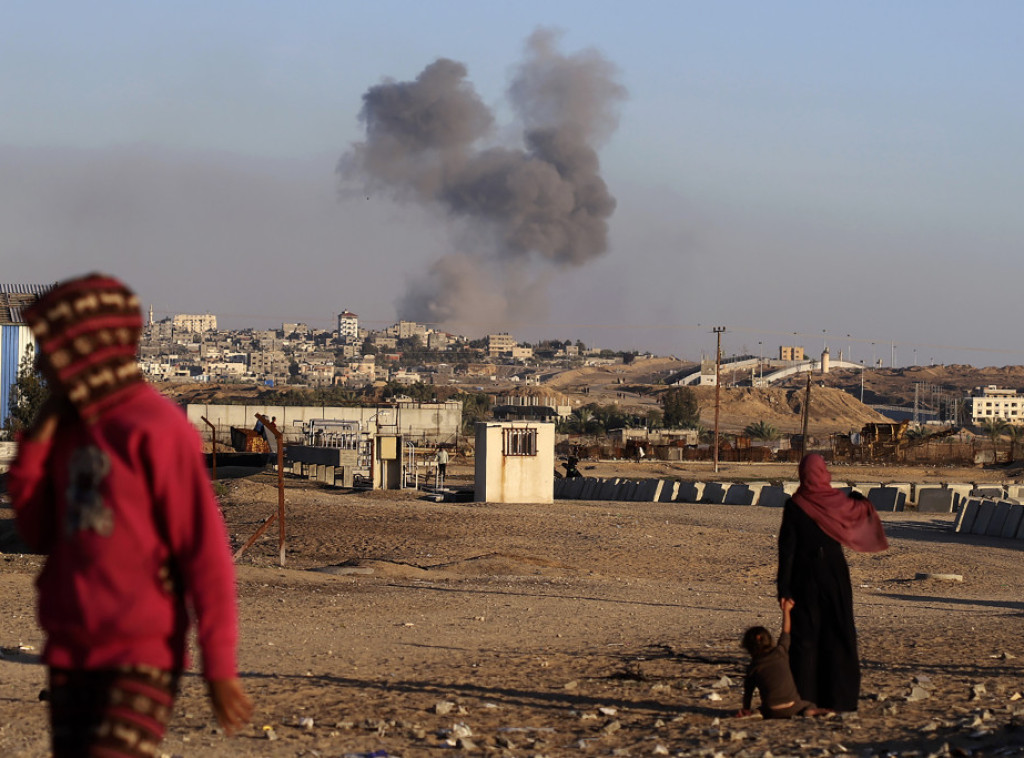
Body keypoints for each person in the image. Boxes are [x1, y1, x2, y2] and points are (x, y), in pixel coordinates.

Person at [7, 273, 252, 757]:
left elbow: (205, 557)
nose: (44, 367)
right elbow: (38, 531)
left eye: (54, 351)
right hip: (70, 650)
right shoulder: (71, 431)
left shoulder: (156, 430)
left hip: (140, 655)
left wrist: (219, 668)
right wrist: (37, 441)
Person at [777, 453, 888, 712]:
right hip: (834, 576)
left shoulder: (795, 505)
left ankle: (806, 698)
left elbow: (787, 550)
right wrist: (859, 499)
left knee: (805, 638)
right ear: (824, 473)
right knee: (838, 633)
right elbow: (860, 509)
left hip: (803, 578)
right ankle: (840, 699)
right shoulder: (838, 502)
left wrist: (783, 589)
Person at [738, 599, 827, 719]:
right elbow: (786, 631)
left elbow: (747, 694)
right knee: (810, 704)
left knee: (760, 709)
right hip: (793, 707)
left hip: (770, 711)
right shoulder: (780, 652)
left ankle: (756, 714)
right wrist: (786, 610)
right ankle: (811, 712)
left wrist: (746, 709)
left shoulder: (753, 667)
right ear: (769, 640)